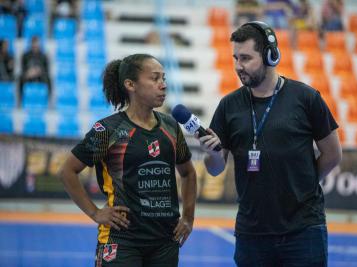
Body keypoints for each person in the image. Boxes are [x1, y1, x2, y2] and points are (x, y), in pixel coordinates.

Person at [196, 21, 342, 266]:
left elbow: (333, 154)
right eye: (235, 58)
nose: (238, 66)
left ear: (270, 56)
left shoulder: (306, 98)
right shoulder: (228, 106)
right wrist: (211, 154)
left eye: (245, 58)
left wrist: (303, 185)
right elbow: (215, 168)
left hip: (304, 229)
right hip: (252, 231)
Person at [58, 54, 197, 266]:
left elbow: (188, 173)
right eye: (155, 78)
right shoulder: (107, 130)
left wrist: (188, 217)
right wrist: (95, 213)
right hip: (122, 239)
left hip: (165, 241)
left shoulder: (171, 127)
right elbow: (68, 171)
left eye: (164, 78)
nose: (163, 85)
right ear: (130, 84)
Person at [19, 36, 51, 101]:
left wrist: (38, 71)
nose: (35, 45)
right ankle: (21, 100)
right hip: (28, 75)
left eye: (37, 43)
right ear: (31, 44)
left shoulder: (44, 56)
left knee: (49, 79)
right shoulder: (25, 55)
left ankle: (47, 100)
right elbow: (23, 68)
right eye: (34, 43)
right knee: (20, 78)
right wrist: (28, 72)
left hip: (41, 75)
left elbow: (46, 69)